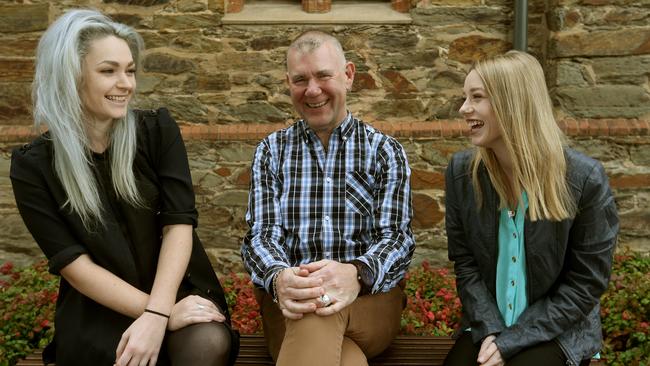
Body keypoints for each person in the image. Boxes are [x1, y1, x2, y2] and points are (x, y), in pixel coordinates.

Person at [10, 9, 238, 366]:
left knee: (205, 342)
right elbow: (74, 264)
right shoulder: (33, 166)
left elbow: (179, 224)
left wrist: (161, 313)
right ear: (71, 77)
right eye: (108, 71)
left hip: (175, 290)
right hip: (100, 309)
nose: (126, 84)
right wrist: (152, 314)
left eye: (130, 70)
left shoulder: (157, 131)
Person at [241, 30, 415, 366]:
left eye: (323, 76)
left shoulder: (384, 152)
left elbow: (397, 239)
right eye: (300, 80)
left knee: (315, 311)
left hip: (369, 303)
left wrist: (357, 273)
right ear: (288, 83)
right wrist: (280, 277)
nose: (313, 90)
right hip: (290, 306)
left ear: (348, 75)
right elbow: (260, 236)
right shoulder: (270, 152)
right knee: (321, 323)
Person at [443, 50, 619, 366]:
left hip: (557, 331)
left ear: (513, 104)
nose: (464, 108)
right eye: (465, 97)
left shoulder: (584, 179)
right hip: (489, 325)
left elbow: (585, 283)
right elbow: (465, 263)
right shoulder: (461, 173)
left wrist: (513, 340)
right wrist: (491, 330)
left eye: (477, 97)